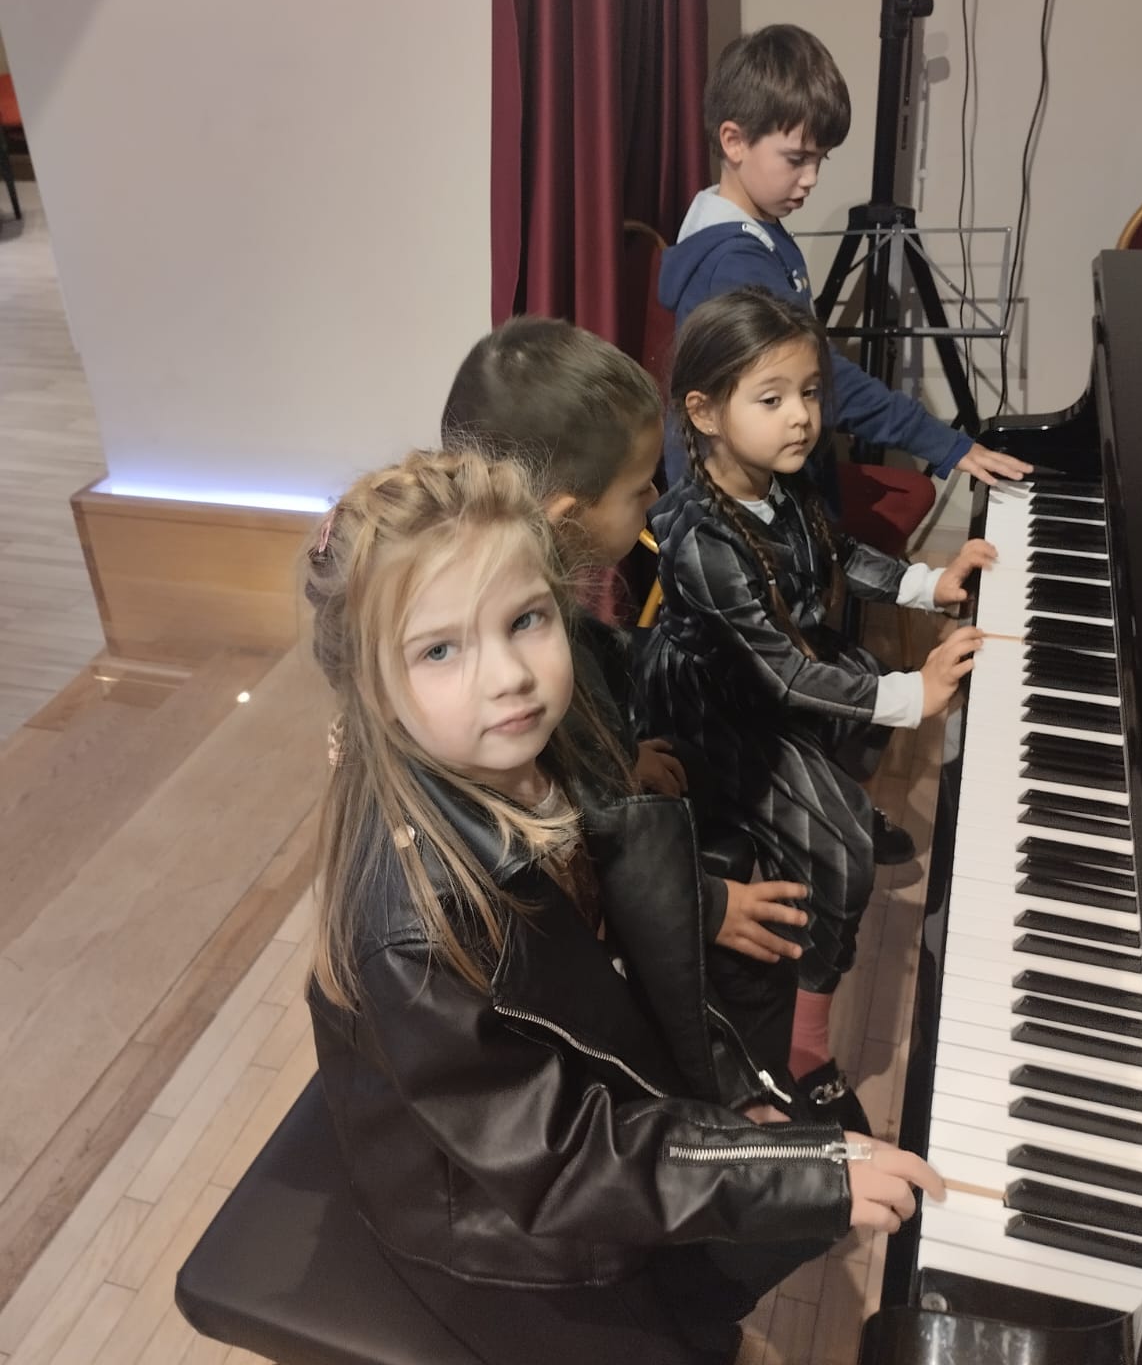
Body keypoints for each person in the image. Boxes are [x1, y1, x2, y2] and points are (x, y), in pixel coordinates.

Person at [304, 448, 944, 1365]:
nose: (509, 676)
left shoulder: (523, 745)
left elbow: (616, 966)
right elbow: (558, 1160)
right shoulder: (414, 930)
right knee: (746, 1251)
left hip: (571, 1111)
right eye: (439, 649)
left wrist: (737, 1106)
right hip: (511, 1223)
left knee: (788, 1173)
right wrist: (783, 1167)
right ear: (371, 686)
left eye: (527, 620)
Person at [635, 290, 992, 1130]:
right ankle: (802, 1049)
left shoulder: (778, 483)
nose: (801, 416)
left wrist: (926, 584)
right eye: (772, 399)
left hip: (776, 678)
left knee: (850, 737)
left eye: (808, 393)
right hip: (720, 708)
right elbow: (783, 676)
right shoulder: (701, 538)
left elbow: (837, 554)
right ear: (705, 413)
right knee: (841, 852)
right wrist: (910, 694)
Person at [441, 315, 815, 977]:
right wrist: (707, 905)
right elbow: (603, 829)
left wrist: (621, 752)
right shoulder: (525, 674)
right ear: (565, 520)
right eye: (639, 485)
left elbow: (586, 745)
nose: (656, 496)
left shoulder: (506, 597)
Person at [658, 23, 1031, 491]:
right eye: (797, 159)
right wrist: (945, 444)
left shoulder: (751, 226)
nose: (811, 178)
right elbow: (826, 378)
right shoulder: (733, 263)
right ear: (734, 141)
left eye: (821, 160)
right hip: (737, 495)